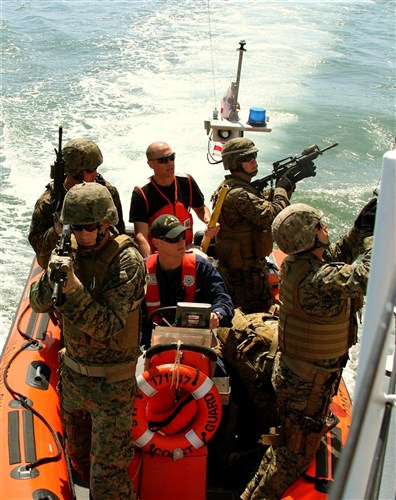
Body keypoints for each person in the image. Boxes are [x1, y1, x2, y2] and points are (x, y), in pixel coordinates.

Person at [241, 198, 377, 500]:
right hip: (307, 383)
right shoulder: (319, 281)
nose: (326, 228)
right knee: (294, 456)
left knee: (287, 445)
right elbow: (366, 274)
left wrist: (358, 229)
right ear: (308, 237)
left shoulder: (298, 263)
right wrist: (371, 238)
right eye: (320, 226)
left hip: (299, 374)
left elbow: (337, 255)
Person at [29, 183, 146, 499]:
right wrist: (53, 273)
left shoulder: (127, 261)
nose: (82, 234)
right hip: (75, 381)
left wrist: (73, 287)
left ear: (106, 223)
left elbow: (108, 326)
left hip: (112, 389)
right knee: (79, 464)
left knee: (109, 484)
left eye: (89, 227)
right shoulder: (68, 252)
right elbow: (38, 303)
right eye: (75, 227)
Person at [212, 137, 296, 314]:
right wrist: (281, 191)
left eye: (255, 156)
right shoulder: (238, 194)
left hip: (245, 270)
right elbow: (273, 217)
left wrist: (283, 188)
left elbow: (259, 203)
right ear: (234, 164)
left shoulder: (234, 187)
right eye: (248, 159)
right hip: (245, 277)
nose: (254, 162)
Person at [29, 138, 126, 269]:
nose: (96, 173)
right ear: (76, 171)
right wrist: (60, 226)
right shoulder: (48, 202)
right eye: (91, 170)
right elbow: (39, 249)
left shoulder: (106, 192)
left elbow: (119, 232)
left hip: (103, 263)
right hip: (65, 264)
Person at [141, 213, 234, 348]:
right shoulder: (142, 271)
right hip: (151, 339)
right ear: (156, 243)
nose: (181, 242)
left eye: (183, 236)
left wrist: (217, 314)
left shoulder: (201, 267)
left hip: (196, 338)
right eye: (174, 239)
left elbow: (222, 299)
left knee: (219, 367)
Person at [129, 141, 218, 258]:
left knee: (204, 263)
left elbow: (201, 208)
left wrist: (208, 221)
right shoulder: (141, 193)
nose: (169, 163)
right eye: (163, 160)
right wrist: (150, 265)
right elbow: (141, 236)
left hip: (186, 248)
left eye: (172, 158)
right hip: (158, 254)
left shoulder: (187, 181)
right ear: (150, 164)